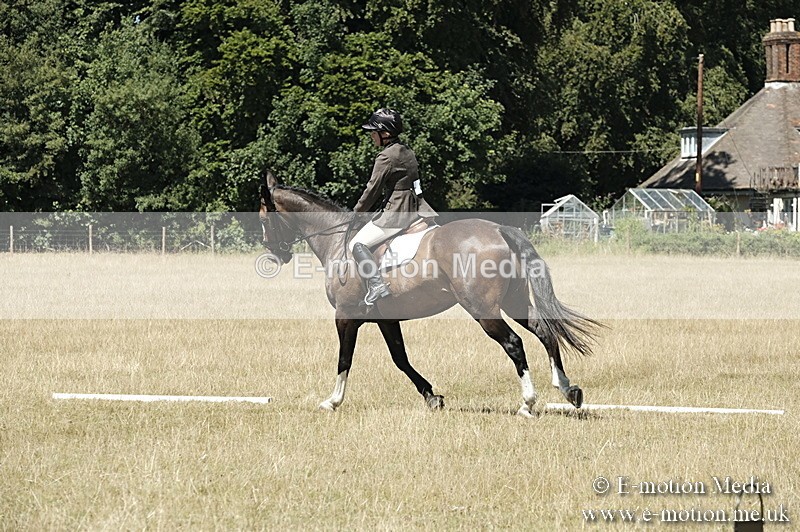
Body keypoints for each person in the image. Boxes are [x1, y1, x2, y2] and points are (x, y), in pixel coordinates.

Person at [349, 108, 437, 305]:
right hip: (417, 208)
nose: (371, 136)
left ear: (385, 133)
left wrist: (356, 212)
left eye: (374, 132)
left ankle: (377, 285)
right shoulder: (407, 151)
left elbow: (372, 190)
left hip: (397, 213)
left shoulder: (386, 157)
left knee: (355, 244)